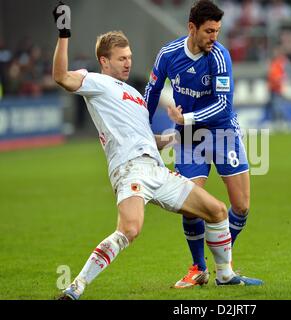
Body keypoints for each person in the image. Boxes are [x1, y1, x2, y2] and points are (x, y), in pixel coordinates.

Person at [51, 2, 262, 300]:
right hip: (131, 169)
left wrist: (171, 139)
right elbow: (61, 76)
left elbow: (145, 136)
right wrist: (63, 34)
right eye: (122, 58)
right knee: (130, 230)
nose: (128, 63)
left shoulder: (135, 97)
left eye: (130, 58)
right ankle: (76, 287)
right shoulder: (96, 83)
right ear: (104, 61)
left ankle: (225, 275)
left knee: (216, 210)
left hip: (159, 167)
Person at [143, 0, 262, 288]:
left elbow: (223, 105)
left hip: (223, 132)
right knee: (191, 203)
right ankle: (200, 268)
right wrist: (142, 131)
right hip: (189, 139)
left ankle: (221, 263)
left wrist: (186, 119)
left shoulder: (220, 56)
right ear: (192, 28)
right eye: (209, 31)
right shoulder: (169, 54)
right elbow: (152, 91)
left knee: (242, 206)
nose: (214, 37)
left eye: (218, 31)